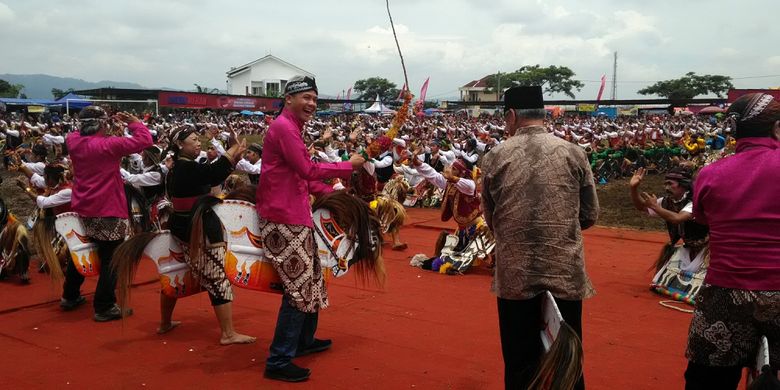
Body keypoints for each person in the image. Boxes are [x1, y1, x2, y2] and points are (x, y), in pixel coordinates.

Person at [481, 86, 599, 390]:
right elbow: (590, 215)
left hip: (516, 276)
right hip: (564, 272)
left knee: (520, 362)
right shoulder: (574, 152)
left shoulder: (495, 157)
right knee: (567, 361)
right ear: (542, 114)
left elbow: (491, 219)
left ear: (511, 115)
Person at [255, 75, 365, 382]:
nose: (312, 104)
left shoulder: (293, 128)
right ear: (288, 99)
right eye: (307, 97)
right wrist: (348, 166)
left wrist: (333, 192)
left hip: (295, 214)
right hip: (283, 218)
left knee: (314, 280)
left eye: (315, 99)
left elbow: (303, 178)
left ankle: (303, 341)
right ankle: (278, 360)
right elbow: (307, 169)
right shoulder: (284, 128)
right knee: (298, 289)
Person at [683, 93, 780, 389]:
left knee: (707, 380)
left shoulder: (710, 174)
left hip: (724, 294)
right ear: (776, 128)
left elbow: (702, 218)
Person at [160, 125, 255, 344]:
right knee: (218, 277)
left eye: (198, 139)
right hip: (197, 227)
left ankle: (165, 323)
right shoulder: (184, 168)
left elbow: (211, 174)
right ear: (180, 145)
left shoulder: (179, 167)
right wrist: (231, 152)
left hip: (183, 225)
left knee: (175, 272)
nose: (198, 143)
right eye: (193, 139)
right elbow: (212, 174)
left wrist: (231, 152)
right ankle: (228, 334)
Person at [65, 107, 153, 321]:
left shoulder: (72, 140)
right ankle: (104, 306)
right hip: (107, 209)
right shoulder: (109, 145)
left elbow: (80, 132)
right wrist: (134, 122)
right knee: (111, 259)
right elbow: (146, 140)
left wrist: (105, 125)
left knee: (81, 251)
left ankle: (70, 296)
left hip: (82, 206)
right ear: (102, 124)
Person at [630, 166, 709, 276]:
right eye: (665, 184)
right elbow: (642, 207)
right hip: (689, 248)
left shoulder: (695, 202)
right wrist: (634, 188)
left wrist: (656, 207)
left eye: (670, 184)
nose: (666, 188)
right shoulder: (666, 201)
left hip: (707, 249)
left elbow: (677, 218)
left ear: (683, 185)